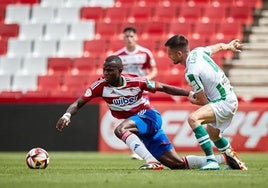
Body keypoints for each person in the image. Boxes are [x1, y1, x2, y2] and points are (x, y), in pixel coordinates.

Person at [56, 55, 225, 170]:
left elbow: (163, 87)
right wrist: (67, 115)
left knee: (120, 130)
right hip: (139, 126)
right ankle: (223, 159)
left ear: (120, 71)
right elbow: (78, 103)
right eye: (104, 69)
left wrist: (188, 93)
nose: (105, 73)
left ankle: (151, 161)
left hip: (149, 117)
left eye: (110, 70)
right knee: (177, 165)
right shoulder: (100, 86)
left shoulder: (136, 81)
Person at [164, 35, 248, 170]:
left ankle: (211, 160)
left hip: (224, 101)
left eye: (170, 54)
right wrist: (229, 46)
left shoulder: (191, 72)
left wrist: (193, 99)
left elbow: (203, 101)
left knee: (193, 119)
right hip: (230, 97)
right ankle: (236, 163)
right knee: (213, 133)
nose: (169, 57)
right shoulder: (198, 52)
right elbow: (219, 46)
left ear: (179, 53)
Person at [113, 26, 158, 160]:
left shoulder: (145, 53)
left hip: (142, 92)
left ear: (136, 37)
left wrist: (145, 80)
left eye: (132, 36)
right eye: (127, 36)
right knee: (131, 121)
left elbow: (154, 70)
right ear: (123, 38)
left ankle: (143, 148)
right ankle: (138, 149)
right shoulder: (119, 55)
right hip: (127, 94)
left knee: (142, 118)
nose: (129, 38)